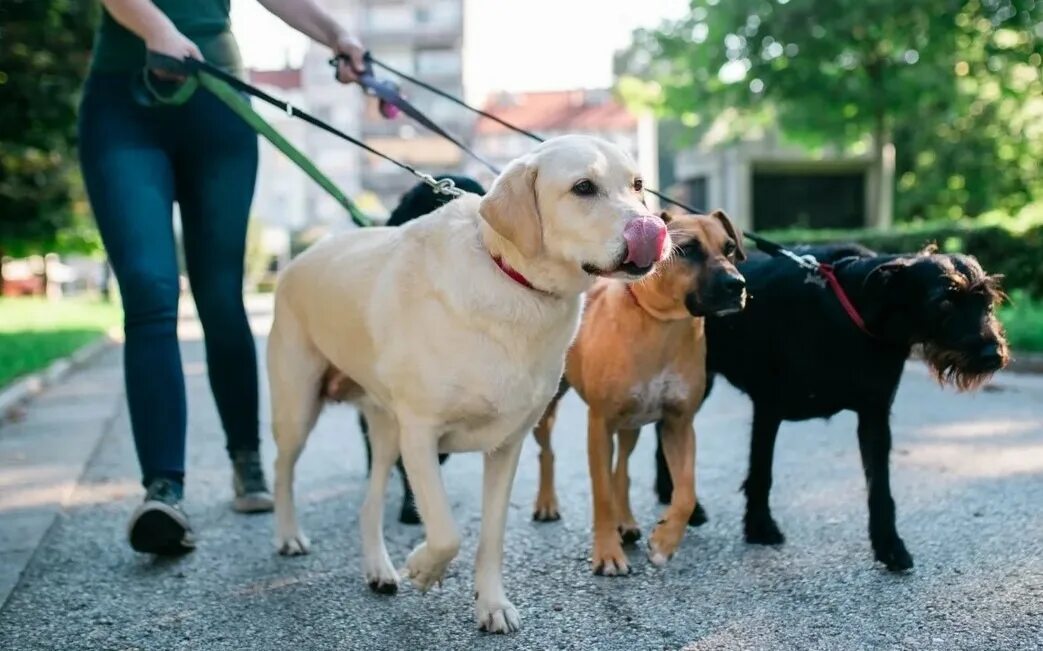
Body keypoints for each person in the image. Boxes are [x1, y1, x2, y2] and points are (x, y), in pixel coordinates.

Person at [78, 0, 365, 556]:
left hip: (218, 101)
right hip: (124, 102)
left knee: (220, 296)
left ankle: (246, 459)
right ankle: (164, 489)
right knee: (149, 291)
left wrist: (337, 36)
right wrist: (159, 30)